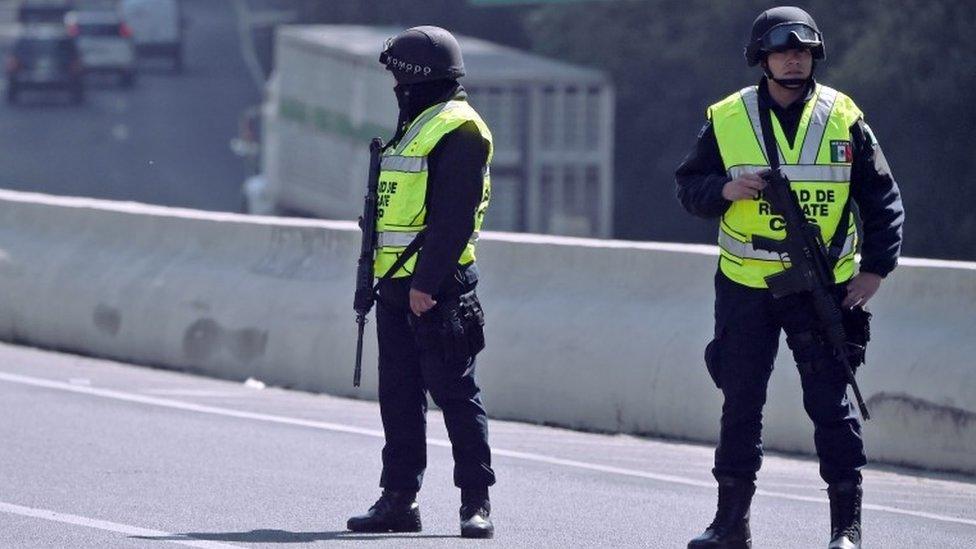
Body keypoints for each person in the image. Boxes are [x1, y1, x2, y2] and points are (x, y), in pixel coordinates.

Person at [675, 6, 904, 549]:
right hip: (745, 285)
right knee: (741, 402)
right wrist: (725, 190)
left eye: (801, 51)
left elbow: (882, 200)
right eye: (782, 51)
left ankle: (845, 528)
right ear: (763, 58)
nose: (793, 59)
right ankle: (730, 524)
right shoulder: (727, 117)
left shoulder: (844, 115)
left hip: (824, 286)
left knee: (830, 403)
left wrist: (874, 270)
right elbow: (689, 188)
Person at [346, 26, 496, 539]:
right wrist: (374, 281)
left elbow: (453, 219)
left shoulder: (459, 129)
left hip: (437, 290)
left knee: (455, 396)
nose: (394, 88)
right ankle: (398, 500)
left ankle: (475, 503)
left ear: (419, 80)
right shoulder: (417, 124)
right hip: (394, 287)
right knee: (400, 398)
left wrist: (426, 285)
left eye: (398, 78)